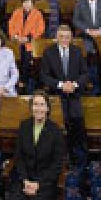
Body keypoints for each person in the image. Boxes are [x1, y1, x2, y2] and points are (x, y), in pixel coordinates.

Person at [40, 25, 89, 164]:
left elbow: (85, 74)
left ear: (71, 38)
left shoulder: (77, 51)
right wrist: (61, 85)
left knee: (78, 118)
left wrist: (74, 85)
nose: (64, 40)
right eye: (61, 37)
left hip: (75, 92)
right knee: (61, 119)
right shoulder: (49, 52)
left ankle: (78, 149)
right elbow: (44, 76)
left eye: (67, 37)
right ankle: (62, 150)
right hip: (56, 93)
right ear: (56, 37)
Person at [8, 0, 45, 75]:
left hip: (30, 42)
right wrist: (15, 36)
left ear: (32, 4)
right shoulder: (17, 12)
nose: (26, 4)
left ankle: (24, 80)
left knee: (26, 62)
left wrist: (28, 38)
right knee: (13, 60)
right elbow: (11, 25)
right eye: (24, 2)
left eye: (28, 2)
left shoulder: (38, 14)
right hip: (16, 41)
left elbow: (40, 29)